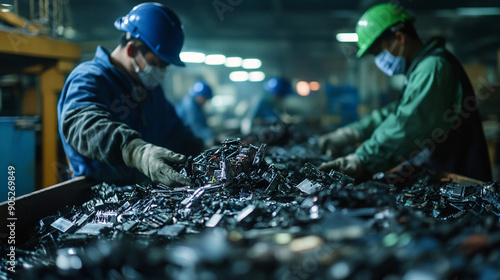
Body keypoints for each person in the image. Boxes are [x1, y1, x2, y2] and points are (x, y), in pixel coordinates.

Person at [318, 3, 492, 182]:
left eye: (377, 52)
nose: (378, 60)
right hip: (444, 172)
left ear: (399, 38)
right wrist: (351, 133)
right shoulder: (420, 69)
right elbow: (397, 112)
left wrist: (362, 159)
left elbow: (409, 123)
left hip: (461, 181)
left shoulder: (433, 68)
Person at [57, 2, 204, 186]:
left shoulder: (150, 90)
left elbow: (176, 134)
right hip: (99, 196)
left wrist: (207, 151)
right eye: (156, 63)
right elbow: (83, 125)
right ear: (132, 50)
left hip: (145, 195)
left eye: (165, 66)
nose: (161, 71)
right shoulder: (89, 78)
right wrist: (135, 151)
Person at [175, 80, 215, 146]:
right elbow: (195, 127)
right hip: (183, 143)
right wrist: (209, 137)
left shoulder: (193, 104)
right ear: (200, 96)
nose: (205, 101)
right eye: (205, 98)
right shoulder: (190, 106)